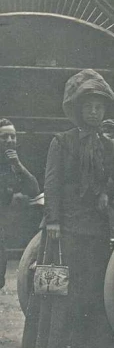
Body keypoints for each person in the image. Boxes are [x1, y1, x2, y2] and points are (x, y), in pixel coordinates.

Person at [22, 69, 114, 348]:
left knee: (88, 287)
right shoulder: (62, 141)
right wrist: (52, 221)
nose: (94, 112)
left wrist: (106, 189)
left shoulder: (108, 145)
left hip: (93, 227)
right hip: (64, 227)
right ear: (78, 110)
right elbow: (51, 183)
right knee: (59, 288)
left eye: (99, 107)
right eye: (89, 107)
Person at [0, 118, 40, 290]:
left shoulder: (13, 164)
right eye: (4, 137)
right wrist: (11, 195)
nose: (9, 140)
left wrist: (17, 164)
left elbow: (34, 188)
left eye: (13, 136)